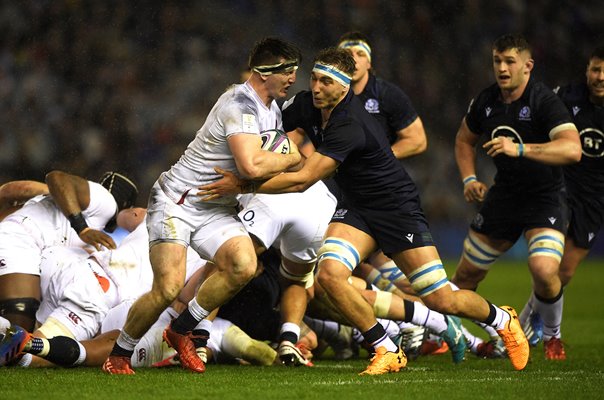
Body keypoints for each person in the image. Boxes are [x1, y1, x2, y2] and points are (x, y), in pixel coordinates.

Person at [200, 47, 530, 375]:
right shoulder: (306, 104)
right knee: (329, 275)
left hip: (396, 209)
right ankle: (385, 348)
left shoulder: (350, 124)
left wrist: (243, 185)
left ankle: (502, 319)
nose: (316, 87)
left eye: (326, 82)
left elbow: (302, 180)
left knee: (441, 299)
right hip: (358, 209)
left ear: (344, 86)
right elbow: (267, 130)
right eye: (314, 79)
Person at [102, 37, 302, 375]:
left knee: (243, 264)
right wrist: (290, 156)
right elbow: (254, 166)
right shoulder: (239, 105)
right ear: (265, 72)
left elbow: (270, 168)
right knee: (168, 288)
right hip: (176, 202)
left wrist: (272, 166)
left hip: (215, 206)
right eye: (288, 71)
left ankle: (181, 330)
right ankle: (119, 355)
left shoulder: (271, 110)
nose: (293, 79)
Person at [450, 34, 581, 361]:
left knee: (542, 269)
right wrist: (469, 178)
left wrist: (519, 148)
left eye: (510, 61)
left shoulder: (544, 101)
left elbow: (573, 148)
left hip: (545, 197)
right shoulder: (486, 101)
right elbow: (464, 141)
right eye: (497, 61)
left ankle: (552, 335)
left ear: (527, 66)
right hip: (504, 197)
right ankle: (457, 337)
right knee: (464, 277)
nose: (502, 68)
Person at [520, 45, 604, 358]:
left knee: (562, 274)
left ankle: (526, 323)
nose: (600, 77)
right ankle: (536, 332)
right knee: (547, 267)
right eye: (596, 69)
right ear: (587, 70)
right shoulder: (566, 96)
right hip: (559, 186)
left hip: (594, 199)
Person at [0, 170, 138, 331]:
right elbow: (56, 177)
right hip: (22, 241)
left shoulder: (55, 203)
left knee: (22, 329)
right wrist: (82, 228)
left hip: (22, 244)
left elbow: (13, 191)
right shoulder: (106, 202)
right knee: (20, 316)